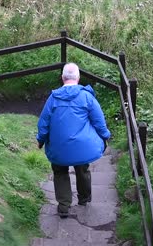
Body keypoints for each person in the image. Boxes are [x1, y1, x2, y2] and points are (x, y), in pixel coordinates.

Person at [36, 62, 111, 218]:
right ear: (78, 78)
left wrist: (41, 140)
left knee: (59, 171)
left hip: (58, 147)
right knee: (82, 168)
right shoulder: (86, 96)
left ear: (63, 78)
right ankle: (84, 199)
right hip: (82, 147)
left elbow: (44, 122)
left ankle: (63, 205)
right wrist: (105, 136)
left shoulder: (53, 98)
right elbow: (99, 121)